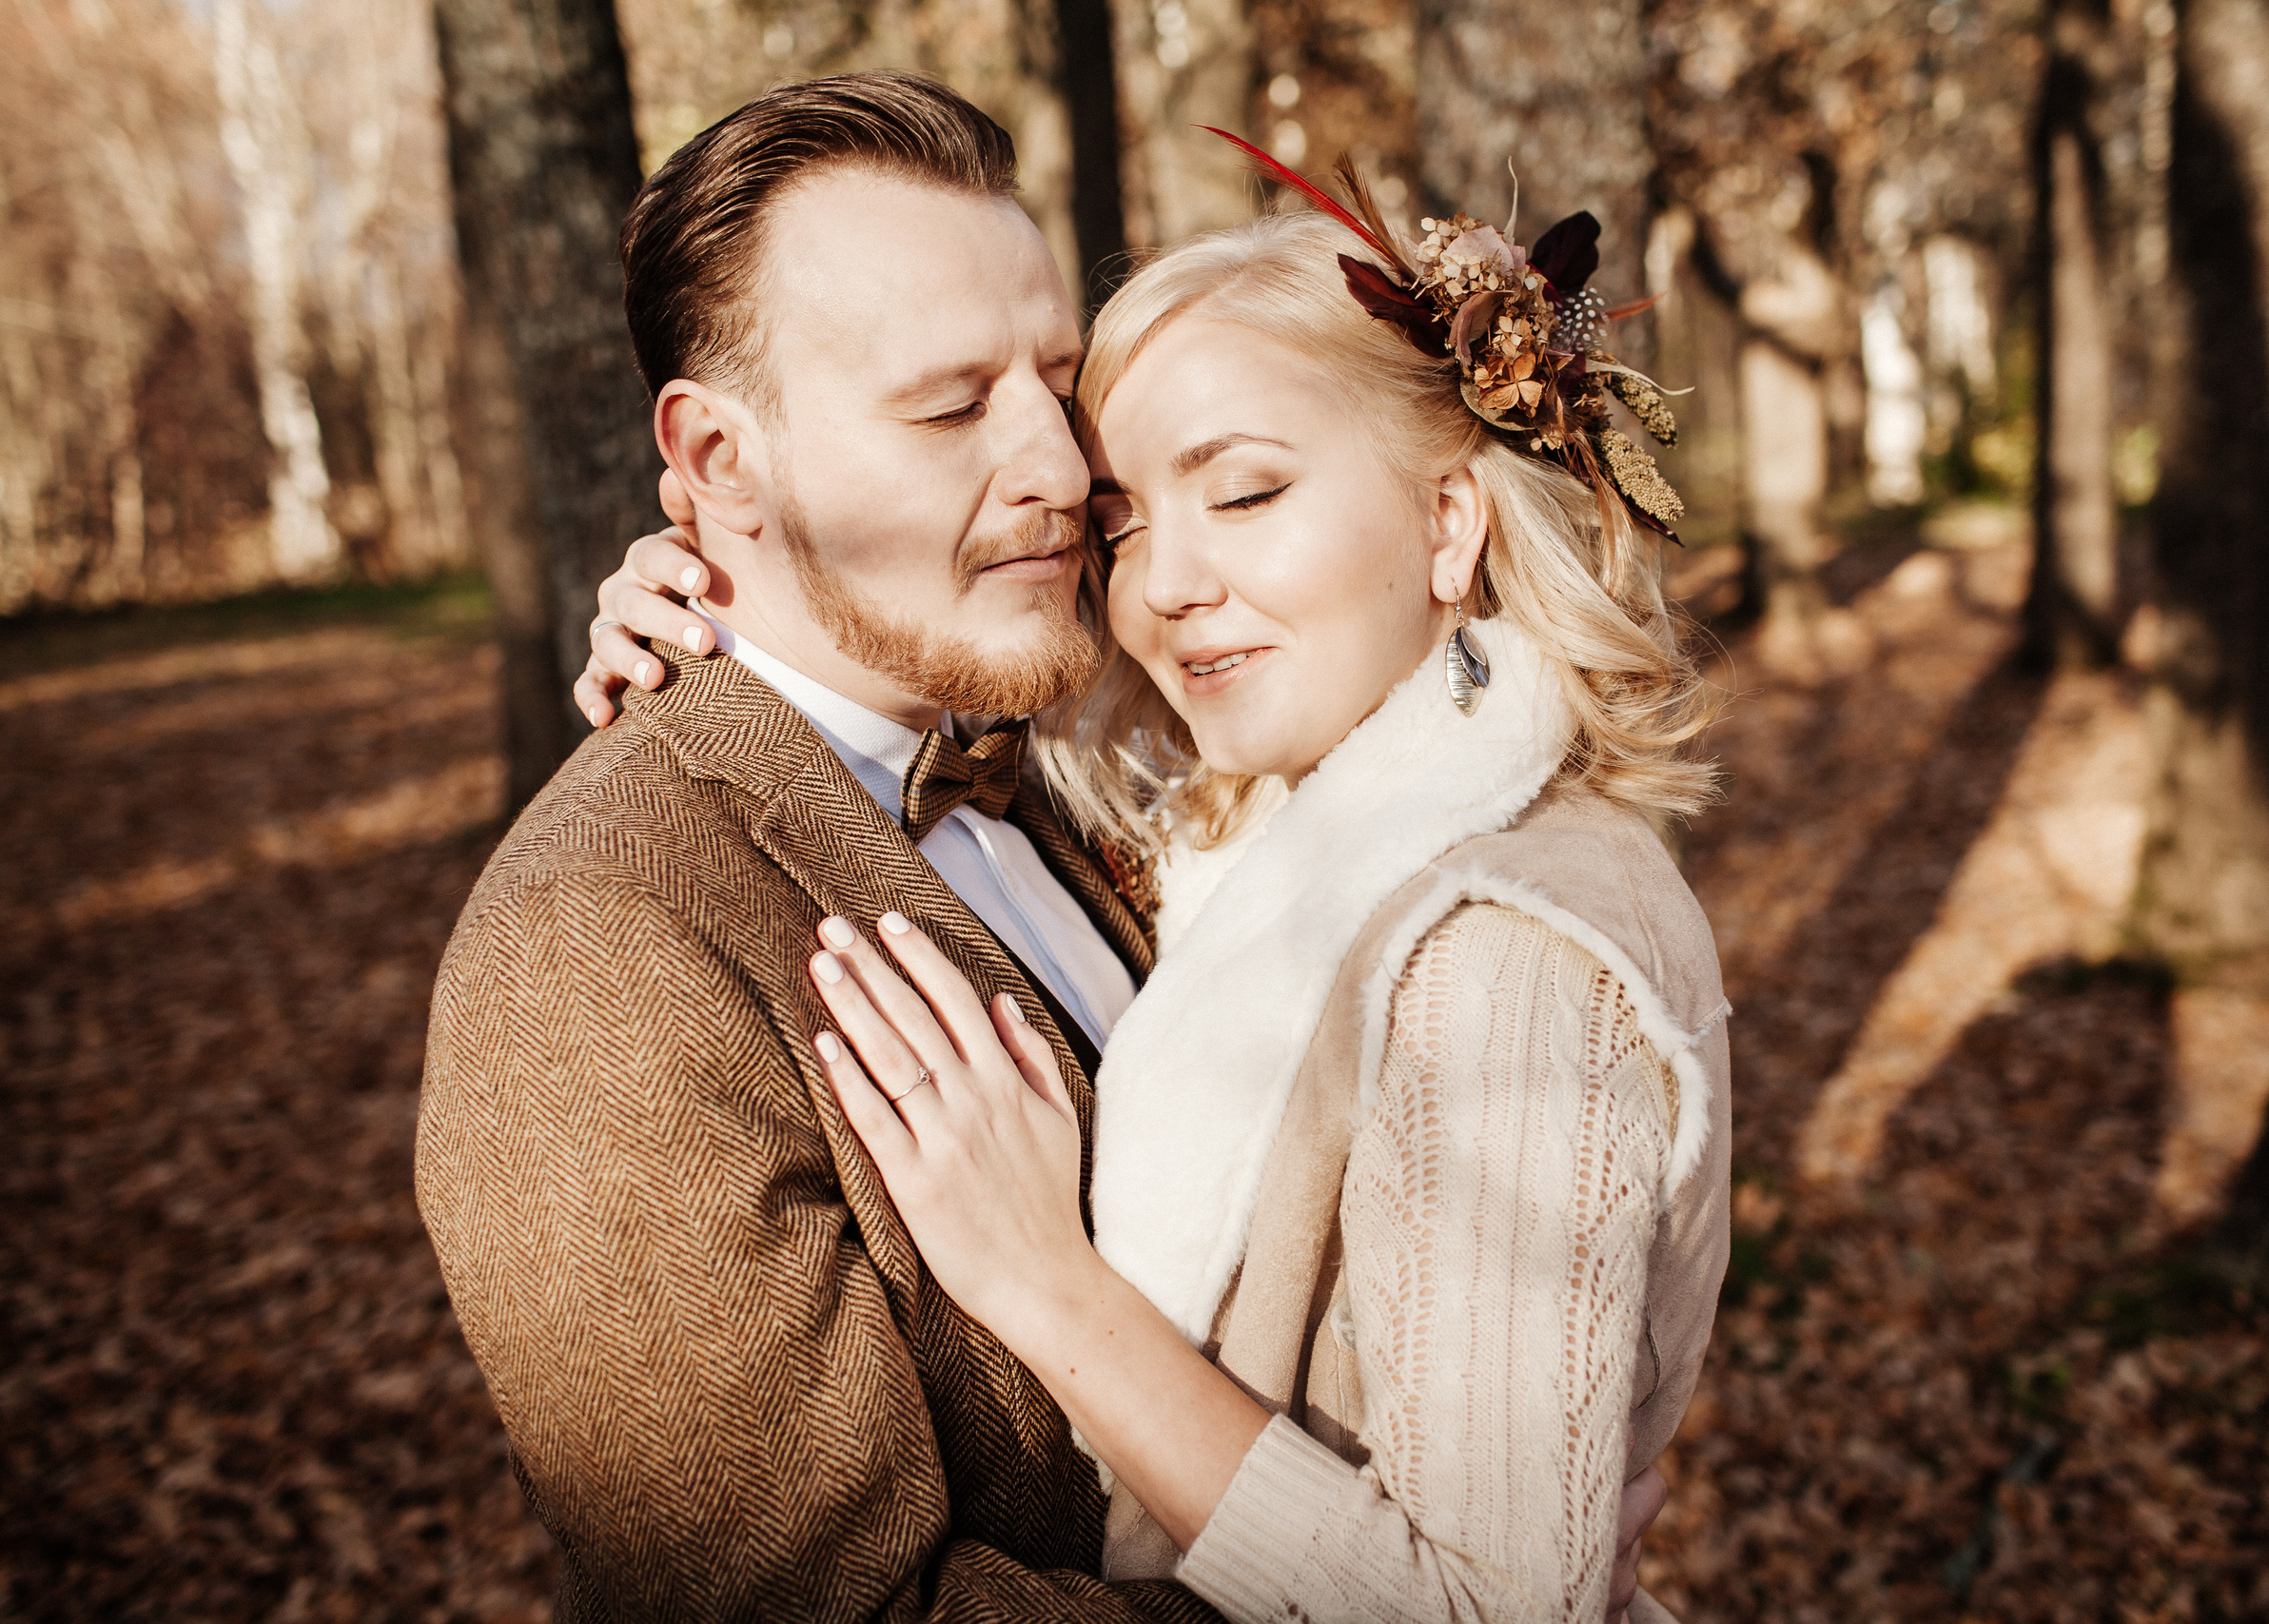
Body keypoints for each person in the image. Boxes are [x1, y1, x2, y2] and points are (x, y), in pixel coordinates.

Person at [424, 74, 1666, 1620]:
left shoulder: (1091, 748)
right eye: (951, 408)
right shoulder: (595, 951)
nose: (1066, 474)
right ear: (721, 465)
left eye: (1057, 390)